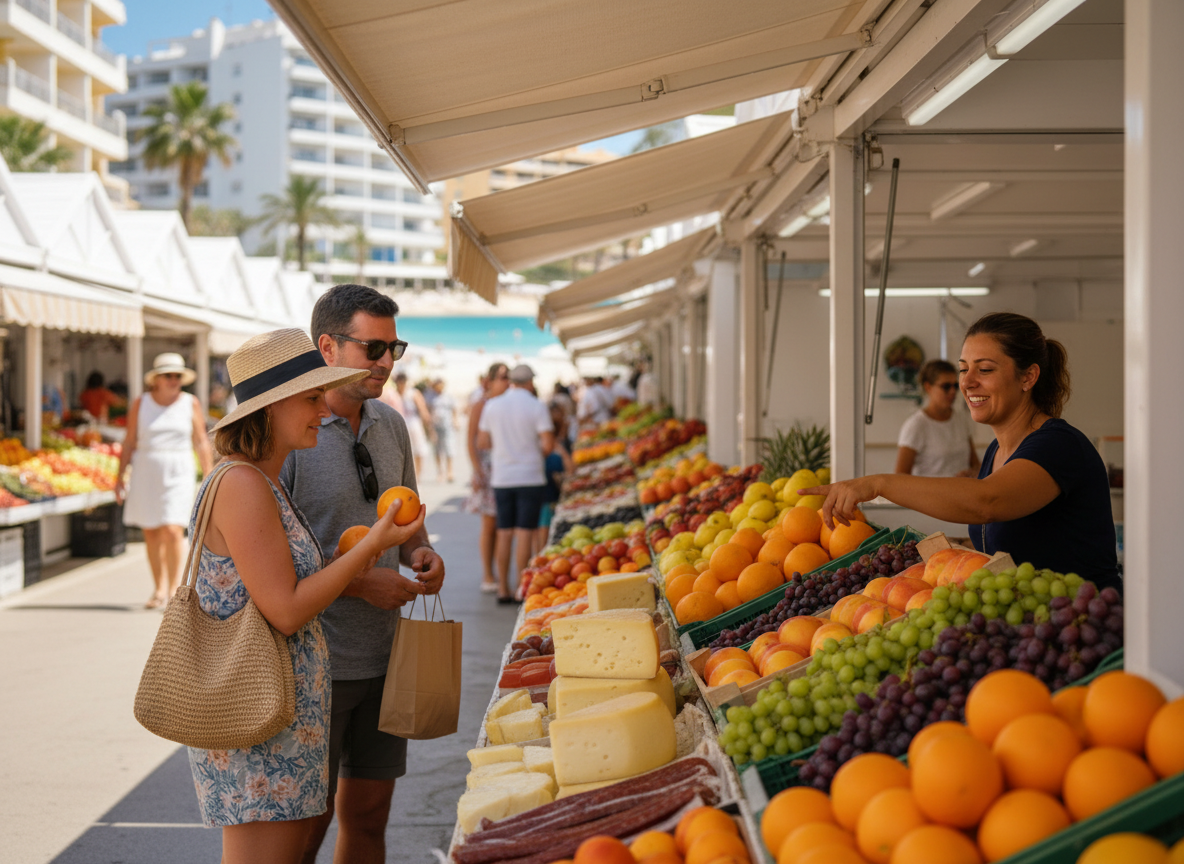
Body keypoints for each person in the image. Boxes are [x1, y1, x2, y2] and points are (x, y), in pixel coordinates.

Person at [185, 327, 426, 864]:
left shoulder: (260, 482)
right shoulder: (242, 485)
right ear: (270, 409)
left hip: (284, 715)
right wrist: (375, 546)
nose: (323, 410)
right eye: (312, 398)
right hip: (260, 715)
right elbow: (287, 609)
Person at [280, 285, 446, 864]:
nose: (386, 362)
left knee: (370, 817)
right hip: (312, 663)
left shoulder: (391, 425)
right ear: (327, 346)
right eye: (373, 347)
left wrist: (421, 553)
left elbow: (407, 519)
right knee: (304, 828)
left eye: (394, 348)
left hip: (386, 658)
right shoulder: (290, 433)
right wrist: (360, 581)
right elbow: (271, 561)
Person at [803, 312, 1120, 594]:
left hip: (1085, 630)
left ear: (1028, 377)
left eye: (984, 369)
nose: (966, 382)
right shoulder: (997, 451)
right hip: (1031, 627)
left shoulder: (1059, 445)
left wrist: (878, 484)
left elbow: (987, 502)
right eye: (963, 369)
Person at [116, 353, 214, 609]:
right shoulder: (142, 403)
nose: (173, 380)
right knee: (151, 531)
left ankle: (173, 589)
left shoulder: (189, 402)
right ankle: (158, 587)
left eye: (177, 376)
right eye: (168, 375)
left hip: (179, 468)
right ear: (156, 380)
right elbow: (129, 441)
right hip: (146, 469)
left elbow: (201, 440)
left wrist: (209, 474)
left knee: (173, 529)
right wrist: (119, 478)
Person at [477, 364, 555, 602]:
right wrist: (529, 453)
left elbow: (482, 441)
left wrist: (504, 450)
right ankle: (522, 588)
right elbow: (548, 445)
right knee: (525, 533)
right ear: (530, 382)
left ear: (511, 380)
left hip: (503, 477)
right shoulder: (537, 406)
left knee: (504, 532)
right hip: (530, 476)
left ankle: (502, 588)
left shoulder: (492, 405)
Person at [465, 362, 509, 594]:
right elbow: (471, 440)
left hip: (504, 468)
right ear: (490, 381)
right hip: (487, 468)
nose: (507, 381)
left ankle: (498, 574)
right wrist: (476, 470)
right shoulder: (481, 405)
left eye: (508, 376)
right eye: (502, 376)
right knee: (489, 524)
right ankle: (488, 573)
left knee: (503, 523)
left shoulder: (506, 404)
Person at [895, 359, 980, 478]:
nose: (952, 392)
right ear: (928, 387)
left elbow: (976, 465)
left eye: (955, 386)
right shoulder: (916, 425)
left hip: (962, 494)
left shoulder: (961, 419)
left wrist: (972, 473)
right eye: (946, 386)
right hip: (928, 496)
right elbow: (900, 478)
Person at [535, 400, 573, 553]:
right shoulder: (552, 453)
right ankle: (539, 558)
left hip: (543, 496)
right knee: (542, 533)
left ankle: (537, 558)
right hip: (546, 497)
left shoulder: (546, 448)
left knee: (538, 533)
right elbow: (571, 470)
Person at [381, 372, 432, 478]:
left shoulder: (413, 393)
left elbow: (423, 411)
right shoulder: (393, 394)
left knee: (419, 449)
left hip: (413, 423)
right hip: (400, 424)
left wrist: (429, 428)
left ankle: (417, 475)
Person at [430, 379, 458, 482]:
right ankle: (440, 471)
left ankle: (449, 471)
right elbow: (428, 410)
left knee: (449, 448)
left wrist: (455, 421)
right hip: (435, 425)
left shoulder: (448, 396)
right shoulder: (430, 396)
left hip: (447, 425)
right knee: (437, 450)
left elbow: (454, 409)